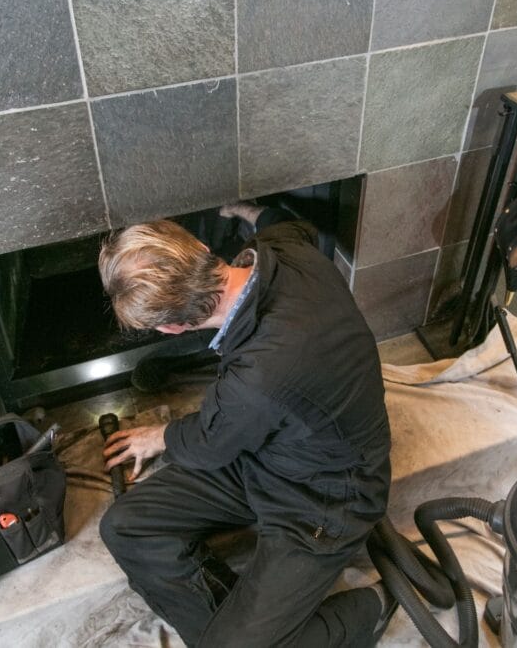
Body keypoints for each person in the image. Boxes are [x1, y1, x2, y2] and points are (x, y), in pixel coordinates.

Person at [98, 202, 394, 647]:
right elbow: (291, 225)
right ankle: (232, 630)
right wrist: (251, 212)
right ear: (200, 247)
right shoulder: (286, 254)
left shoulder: (256, 377)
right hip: (270, 453)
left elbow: (209, 445)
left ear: (174, 329)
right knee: (125, 526)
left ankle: (368, 609)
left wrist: (157, 436)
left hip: (326, 496)